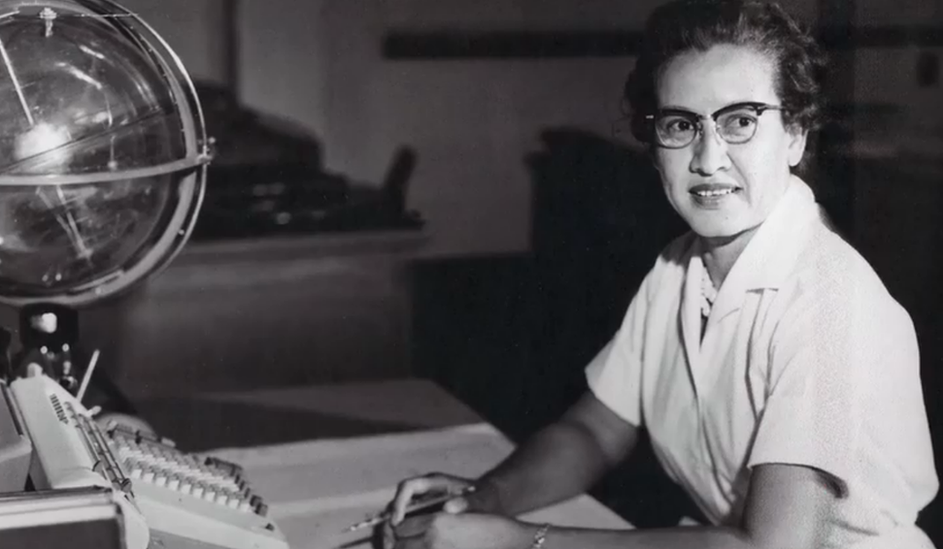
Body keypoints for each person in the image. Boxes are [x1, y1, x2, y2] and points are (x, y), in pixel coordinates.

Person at [383, 1, 940, 548]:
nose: (707, 157)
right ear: (655, 150)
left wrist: (519, 542)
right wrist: (484, 500)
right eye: (681, 125)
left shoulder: (832, 306)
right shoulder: (679, 267)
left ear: (794, 135)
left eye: (740, 121)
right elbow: (594, 433)